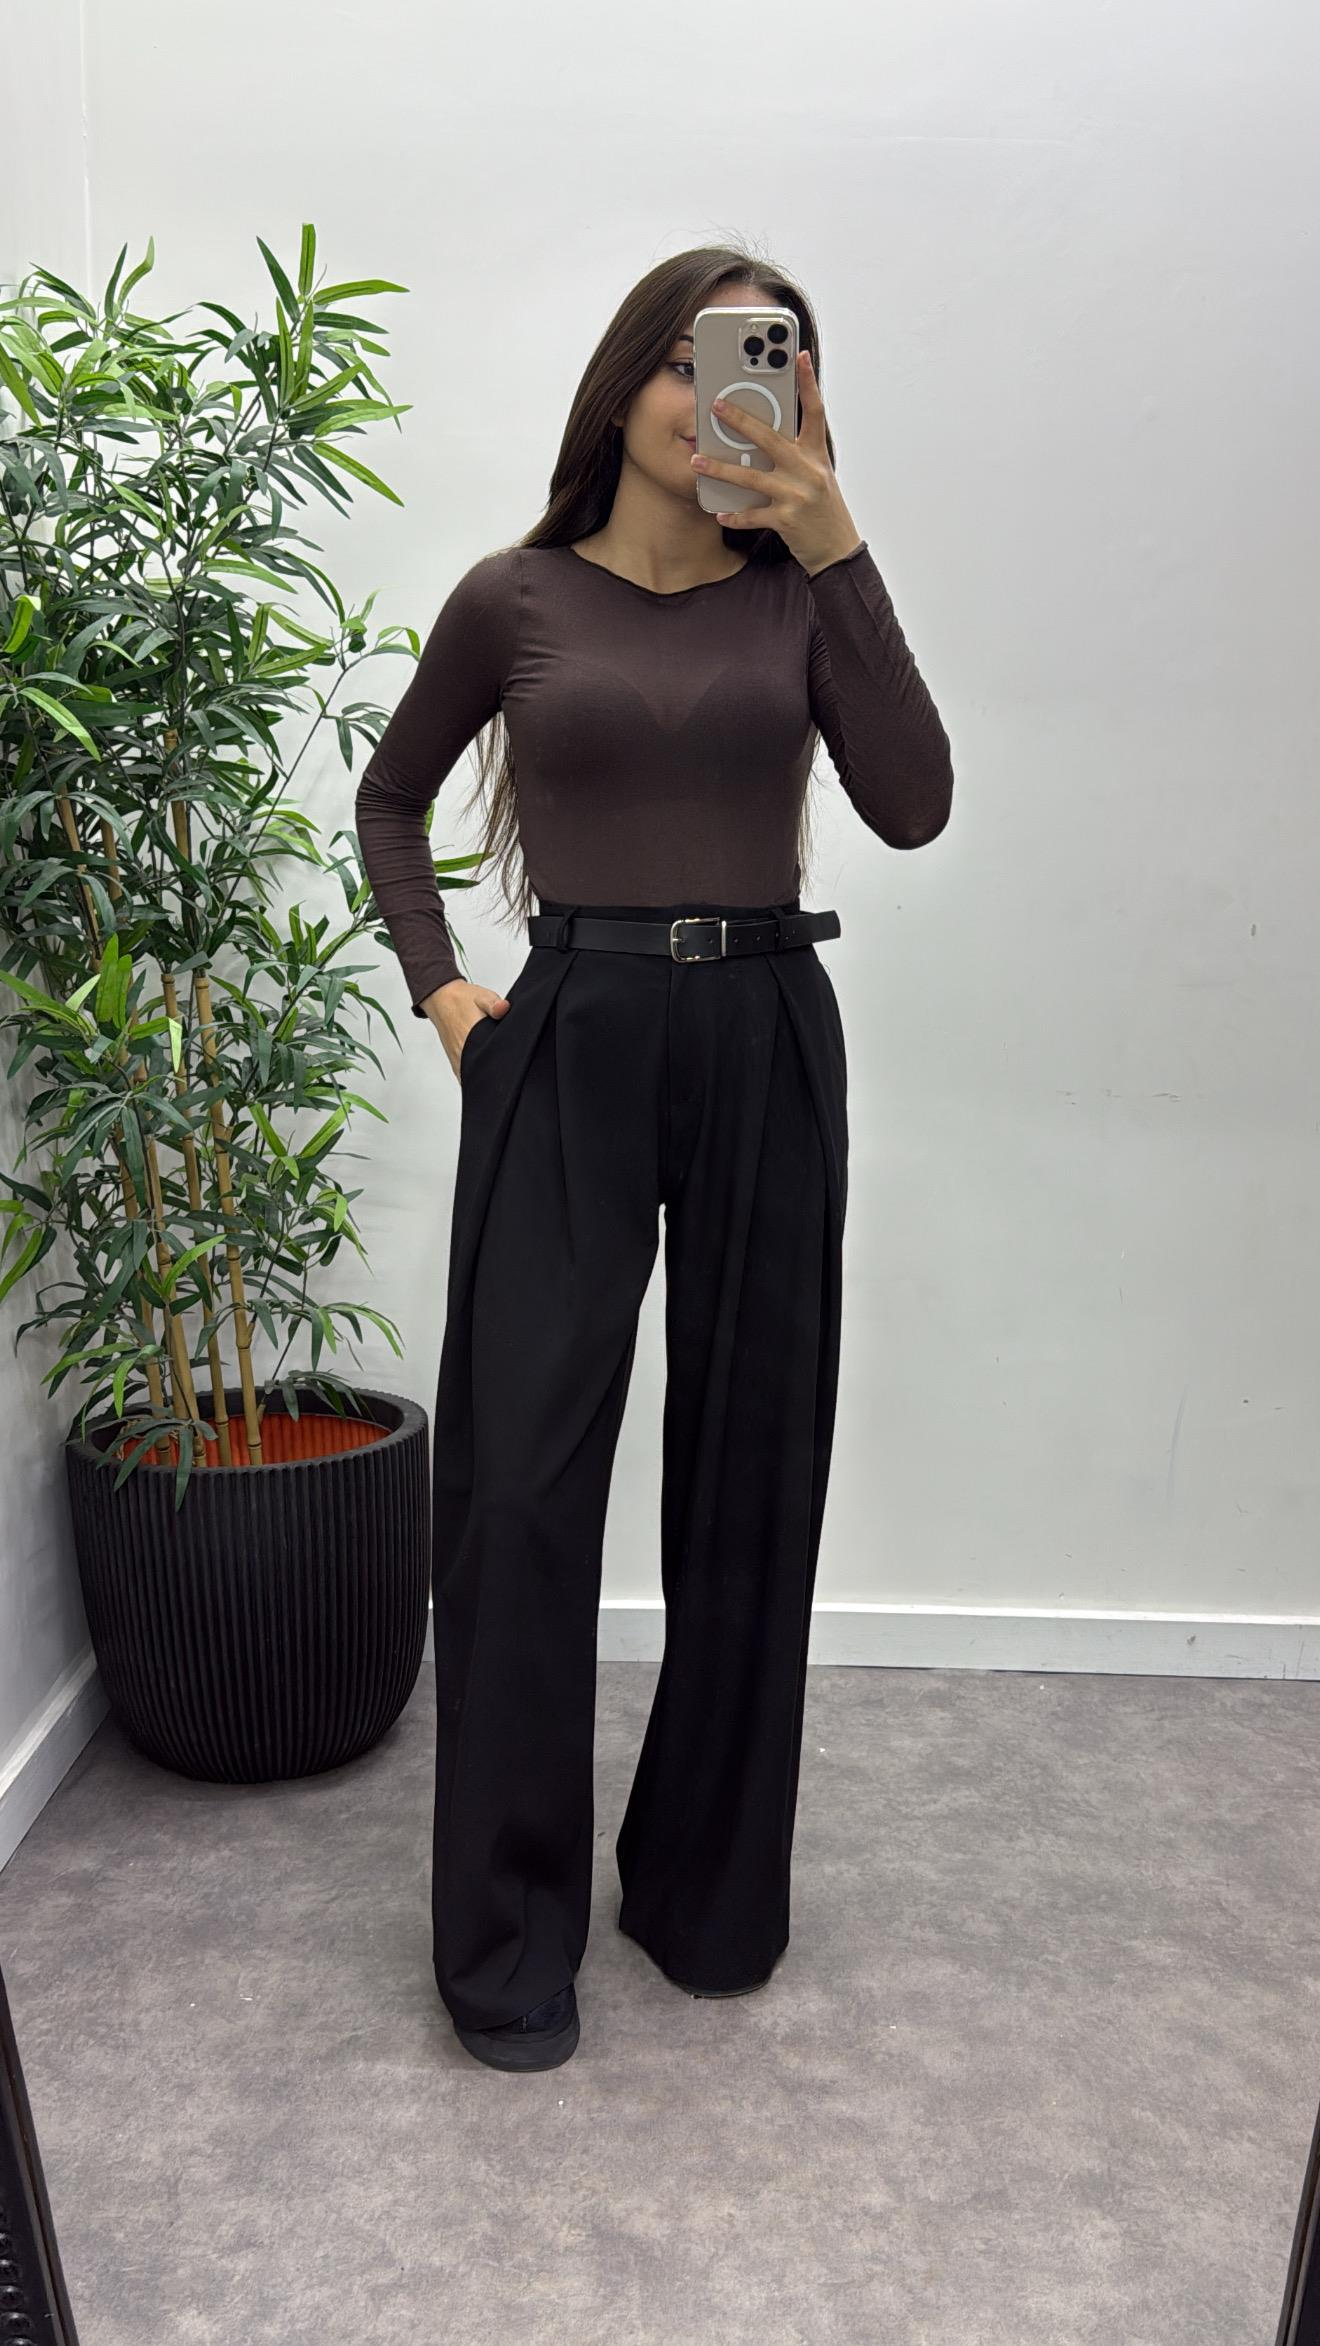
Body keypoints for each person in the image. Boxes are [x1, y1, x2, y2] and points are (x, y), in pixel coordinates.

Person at [353, 246, 954, 2073]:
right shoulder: (514, 596)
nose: (727, 395)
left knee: (751, 1472)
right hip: (573, 1031)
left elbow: (915, 803)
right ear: (629, 383)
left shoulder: (799, 597)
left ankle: (703, 1891)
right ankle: (508, 1932)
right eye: (702, 360)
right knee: (523, 1490)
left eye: (775, 363)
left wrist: (835, 538)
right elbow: (391, 796)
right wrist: (447, 992)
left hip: (768, 1025)